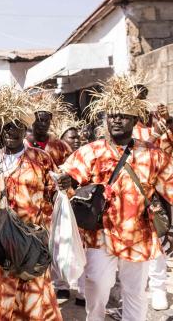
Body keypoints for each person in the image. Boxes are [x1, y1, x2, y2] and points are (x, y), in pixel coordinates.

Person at [57, 74, 173, 321]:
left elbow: (170, 188)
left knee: (135, 292)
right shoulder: (92, 150)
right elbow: (69, 178)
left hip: (139, 233)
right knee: (98, 285)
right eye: (113, 115)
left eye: (123, 116)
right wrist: (66, 182)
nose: (117, 120)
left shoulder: (153, 154)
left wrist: (169, 229)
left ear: (134, 120)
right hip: (100, 234)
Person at [0, 87, 62, 320]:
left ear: (25, 127)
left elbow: (55, 200)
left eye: (16, 124)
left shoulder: (41, 160)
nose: (10, 130)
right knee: (0, 302)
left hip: (31, 245)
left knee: (32, 300)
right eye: (5, 124)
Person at [131, 81, 173, 311]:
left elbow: (169, 149)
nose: (140, 99)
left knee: (158, 238)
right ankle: (138, 287)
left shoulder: (158, 120)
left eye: (143, 94)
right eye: (135, 95)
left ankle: (158, 287)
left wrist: (167, 123)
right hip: (130, 194)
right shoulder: (126, 126)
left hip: (158, 192)